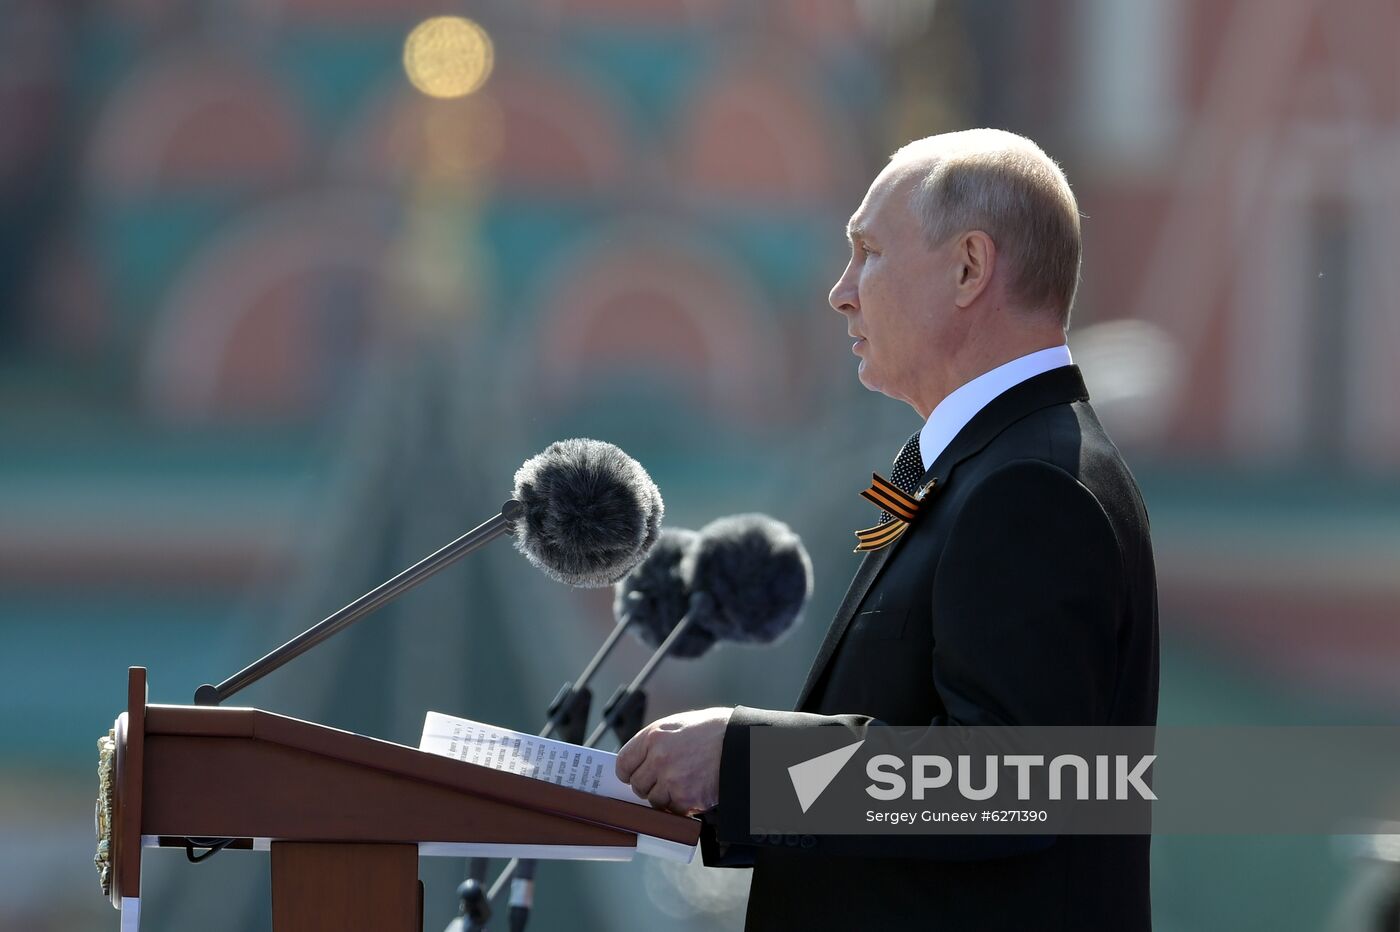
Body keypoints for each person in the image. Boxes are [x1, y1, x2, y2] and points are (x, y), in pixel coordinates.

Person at [616, 128, 1159, 931]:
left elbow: (1016, 782)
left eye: (868, 252)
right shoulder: (978, 465)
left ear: (970, 267)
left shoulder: (1029, 484)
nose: (841, 291)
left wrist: (744, 763)